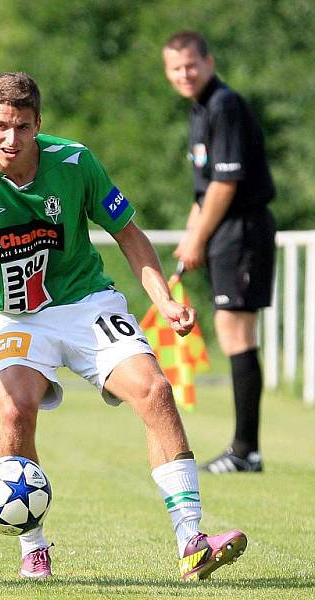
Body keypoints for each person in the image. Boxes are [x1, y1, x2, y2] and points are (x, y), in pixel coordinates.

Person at [0, 72, 247, 581]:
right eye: (1, 126)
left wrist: (161, 298)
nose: (12, 139)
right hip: (14, 316)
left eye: (24, 127)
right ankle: (32, 544)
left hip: (85, 303)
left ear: (38, 126)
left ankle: (192, 540)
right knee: (15, 411)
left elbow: (128, 233)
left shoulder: (74, 161)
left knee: (156, 390)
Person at [163, 31, 276, 474]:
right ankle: (244, 449)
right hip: (222, 230)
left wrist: (198, 238)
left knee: (237, 333)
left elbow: (226, 184)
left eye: (191, 65)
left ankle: (246, 450)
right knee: (232, 331)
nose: (184, 74)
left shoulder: (225, 105)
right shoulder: (200, 110)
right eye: (175, 68)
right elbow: (202, 191)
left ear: (208, 62)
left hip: (243, 229)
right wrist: (191, 237)